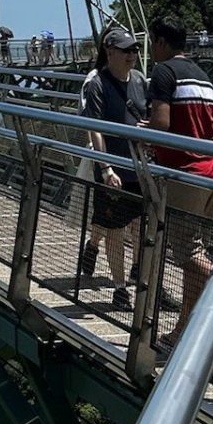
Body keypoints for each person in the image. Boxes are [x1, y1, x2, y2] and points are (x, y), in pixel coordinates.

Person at [145, 17, 213, 341]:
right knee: (196, 253)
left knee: (188, 253)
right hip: (211, 171)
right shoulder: (202, 77)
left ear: (160, 42)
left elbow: (161, 124)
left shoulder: (163, 72)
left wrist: (142, 130)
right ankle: (182, 330)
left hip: (184, 174)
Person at [77, 26, 147, 311]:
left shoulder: (141, 81)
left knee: (140, 228)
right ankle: (120, 289)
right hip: (113, 166)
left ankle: (137, 273)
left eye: (135, 50)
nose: (132, 55)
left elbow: (149, 112)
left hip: (139, 167)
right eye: (126, 50)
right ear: (109, 52)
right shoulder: (96, 83)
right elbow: (95, 127)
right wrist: (105, 168)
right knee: (115, 229)